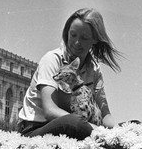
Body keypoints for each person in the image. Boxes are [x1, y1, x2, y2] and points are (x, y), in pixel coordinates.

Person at [17, 8, 122, 140]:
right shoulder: (52, 59)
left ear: (95, 40)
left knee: (132, 125)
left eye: (84, 38)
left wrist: (120, 133)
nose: (77, 42)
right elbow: (50, 111)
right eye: (73, 35)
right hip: (36, 129)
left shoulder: (94, 69)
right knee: (74, 122)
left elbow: (105, 114)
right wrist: (93, 128)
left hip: (77, 126)